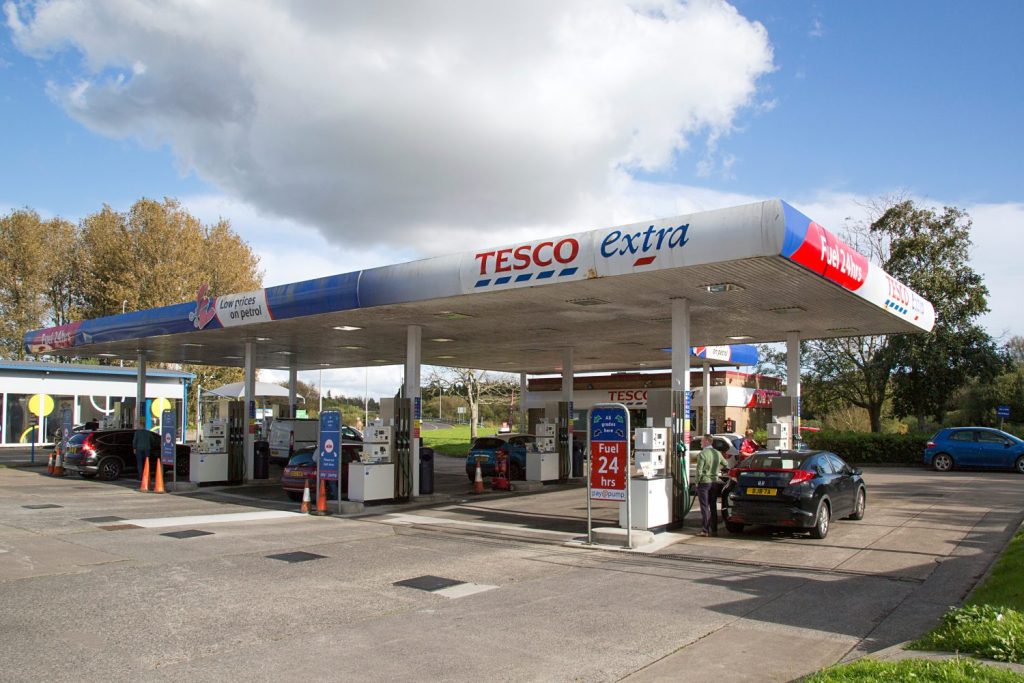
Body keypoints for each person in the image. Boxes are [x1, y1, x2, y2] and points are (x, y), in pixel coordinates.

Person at [696, 434, 727, 537]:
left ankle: (705, 530)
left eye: (702, 441)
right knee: (713, 506)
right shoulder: (717, 453)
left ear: (707, 442)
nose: (701, 442)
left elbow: (699, 470)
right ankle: (714, 528)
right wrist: (719, 471)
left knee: (704, 507)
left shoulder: (702, 454)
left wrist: (697, 482)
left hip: (704, 482)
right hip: (715, 482)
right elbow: (726, 464)